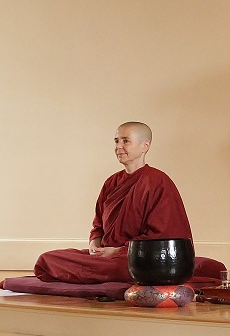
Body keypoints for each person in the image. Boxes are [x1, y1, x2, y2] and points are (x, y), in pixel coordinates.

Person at [34, 122, 193, 284]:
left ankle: (94, 273)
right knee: (48, 259)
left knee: (132, 268)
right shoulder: (111, 182)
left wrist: (118, 251)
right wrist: (94, 244)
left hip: (137, 258)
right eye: (116, 141)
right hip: (104, 257)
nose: (119, 146)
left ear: (145, 145)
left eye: (125, 141)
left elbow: (162, 236)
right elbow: (98, 225)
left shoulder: (157, 182)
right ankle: (95, 271)